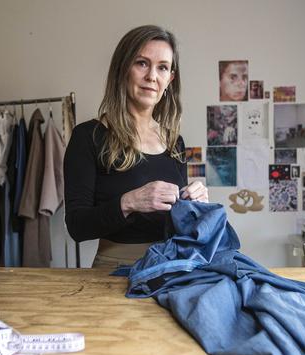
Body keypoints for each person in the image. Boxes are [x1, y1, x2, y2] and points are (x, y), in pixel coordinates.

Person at [64, 25, 209, 268]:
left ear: (169, 80)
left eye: (162, 67)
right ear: (123, 69)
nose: (152, 76)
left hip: (174, 265)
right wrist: (129, 202)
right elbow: (77, 227)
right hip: (115, 270)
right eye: (142, 63)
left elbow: (179, 222)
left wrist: (196, 205)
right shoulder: (87, 136)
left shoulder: (175, 142)